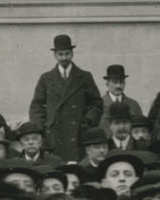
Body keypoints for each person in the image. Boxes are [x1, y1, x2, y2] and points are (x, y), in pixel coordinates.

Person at [26, 35, 104, 167]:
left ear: (72, 54)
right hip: (53, 135)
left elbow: (96, 103)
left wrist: (87, 121)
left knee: (77, 169)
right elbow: (36, 106)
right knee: (55, 168)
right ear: (55, 55)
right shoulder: (46, 78)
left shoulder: (84, 77)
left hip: (78, 134)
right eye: (60, 54)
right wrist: (41, 130)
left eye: (67, 54)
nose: (64, 58)